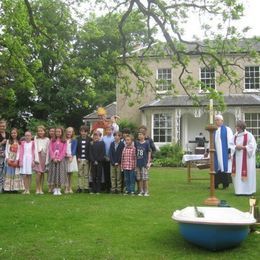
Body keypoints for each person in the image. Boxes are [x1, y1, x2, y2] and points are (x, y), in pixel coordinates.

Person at [231, 120, 257, 195]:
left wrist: (243, 147)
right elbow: (230, 144)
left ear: (242, 127)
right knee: (238, 173)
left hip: (247, 159)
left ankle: (248, 191)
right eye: (236, 127)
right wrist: (235, 147)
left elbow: (252, 146)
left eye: (238, 127)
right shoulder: (235, 136)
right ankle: (239, 191)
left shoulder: (249, 135)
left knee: (248, 172)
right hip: (237, 159)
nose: (236, 128)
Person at [214, 114, 233, 189]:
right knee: (216, 167)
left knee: (224, 167)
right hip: (215, 152)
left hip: (224, 152)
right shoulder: (213, 129)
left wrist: (229, 152)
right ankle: (215, 184)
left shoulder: (227, 129)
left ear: (222, 121)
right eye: (216, 120)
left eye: (218, 120)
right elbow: (211, 141)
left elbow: (230, 141)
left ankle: (225, 184)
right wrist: (208, 150)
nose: (217, 121)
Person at [4, 128, 24, 192]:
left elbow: (19, 151)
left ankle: (15, 188)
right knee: (9, 173)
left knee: (16, 173)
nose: (13, 134)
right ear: (10, 134)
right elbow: (6, 150)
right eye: (12, 133)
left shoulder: (19, 142)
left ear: (17, 134)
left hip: (16, 159)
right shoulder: (8, 141)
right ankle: (8, 188)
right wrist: (7, 158)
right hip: (9, 158)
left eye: (15, 133)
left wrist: (17, 160)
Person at [48, 127, 67, 195]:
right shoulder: (52, 140)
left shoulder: (64, 141)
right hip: (53, 161)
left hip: (60, 161)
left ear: (62, 133)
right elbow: (50, 149)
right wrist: (53, 158)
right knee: (54, 174)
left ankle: (59, 189)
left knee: (59, 174)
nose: (58, 133)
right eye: (56, 132)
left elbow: (64, 150)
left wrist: (59, 158)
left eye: (59, 132)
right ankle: (55, 188)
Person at [34, 125, 50, 194]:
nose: (40, 132)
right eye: (39, 131)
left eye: (41, 131)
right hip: (38, 156)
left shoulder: (47, 139)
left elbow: (48, 150)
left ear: (44, 131)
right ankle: (37, 188)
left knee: (42, 173)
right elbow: (35, 148)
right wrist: (35, 158)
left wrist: (47, 160)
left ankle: (41, 189)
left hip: (44, 157)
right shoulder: (35, 138)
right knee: (38, 173)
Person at [76, 125, 92, 193]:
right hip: (80, 159)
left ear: (87, 132)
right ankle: (80, 187)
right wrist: (78, 157)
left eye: (85, 131)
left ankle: (86, 187)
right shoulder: (77, 139)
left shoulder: (90, 139)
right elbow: (76, 150)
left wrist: (88, 158)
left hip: (86, 159)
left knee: (86, 174)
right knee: (80, 174)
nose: (83, 133)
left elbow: (90, 150)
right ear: (80, 132)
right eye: (82, 131)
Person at [135, 131, 151, 196]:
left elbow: (149, 152)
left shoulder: (146, 143)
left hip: (144, 163)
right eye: (138, 135)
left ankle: (146, 191)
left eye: (141, 135)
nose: (139, 136)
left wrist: (148, 161)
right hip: (138, 163)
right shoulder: (137, 143)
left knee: (145, 178)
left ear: (144, 136)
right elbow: (135, 153)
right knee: (140, 178)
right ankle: (141, 191)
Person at [65, 127, 78, 194]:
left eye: (70, 132)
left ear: (72, 133)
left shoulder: (74, 140)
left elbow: (74, 149)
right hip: (65, 157)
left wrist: (71, 156)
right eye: (67, 131)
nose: (68, 133)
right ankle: (66, 187)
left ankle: (70, 187)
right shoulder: (64, 140)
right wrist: (65, 155)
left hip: (71, 157)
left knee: (70, 173)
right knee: (66, 173)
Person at [102, 126, 114, 193]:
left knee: (111, 174)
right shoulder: (103, 138)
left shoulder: (113, 138)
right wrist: (105, 156)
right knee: (106, 173)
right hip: (105, 157)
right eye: (107, 130)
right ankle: (107, 187)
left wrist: (110, 157)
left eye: (110, 130)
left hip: (111, 158)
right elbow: (103, 148)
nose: (109, 131)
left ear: (112, 131)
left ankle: (112, 187)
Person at [0, 119, 9, 193]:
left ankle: (4, 187)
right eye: (1, 126)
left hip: (7, 155)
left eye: (4, 126)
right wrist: (1, 143)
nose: (3, 127)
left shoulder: (8, 134)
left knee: (5, 171)